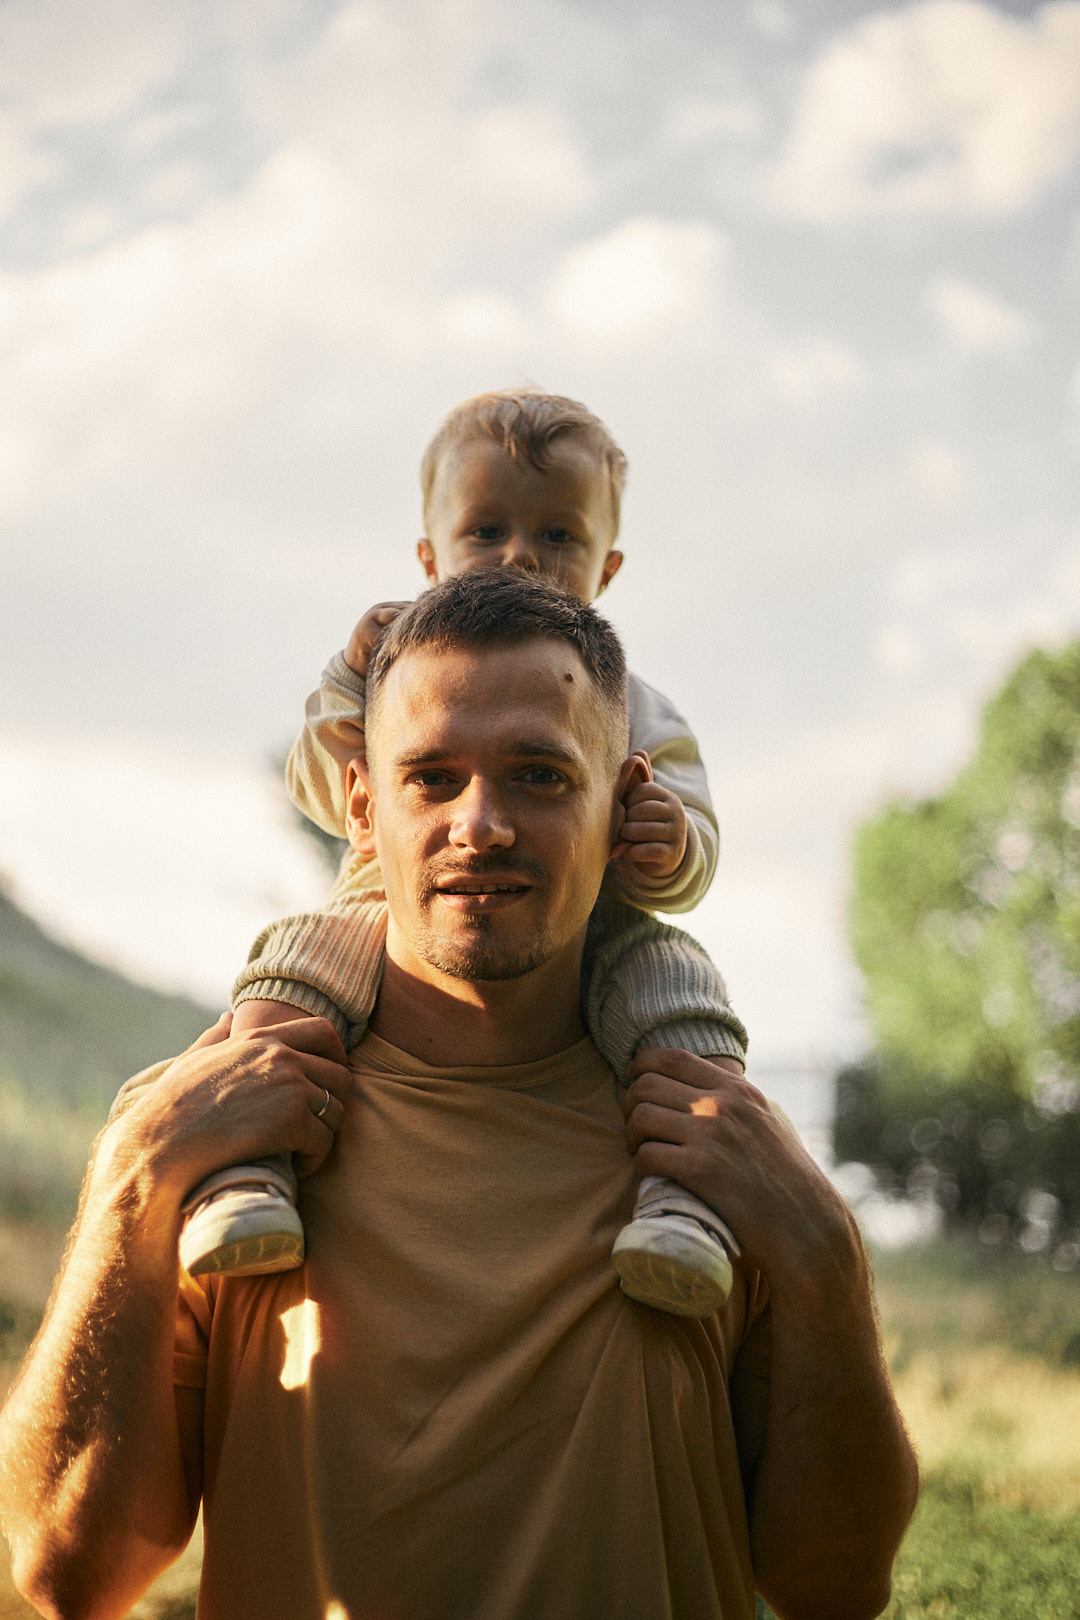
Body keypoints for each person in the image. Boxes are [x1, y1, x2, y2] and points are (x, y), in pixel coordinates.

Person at [0, 572, 918, 1620]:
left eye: (537, 774)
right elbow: (70, 1573)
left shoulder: (716, 1155)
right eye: (431, 778)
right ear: (360, 805)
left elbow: (836, 1588)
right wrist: (132, 1175)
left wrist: (824, 1257)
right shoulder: (219, 1145)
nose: (479, 823)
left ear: (624, 803)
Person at [178, 388, 748, 1318]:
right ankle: (246, 1173)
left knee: (686, 1005)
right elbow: (326, 792)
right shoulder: (386, 671)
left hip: (602, 922)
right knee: (288, 973)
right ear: (429, 554)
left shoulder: (634, 703)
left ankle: (687, 1209)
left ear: (605, 567)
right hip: (383, 905)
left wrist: (667, 844)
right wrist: (349, 682)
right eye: (488, 530)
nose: (522, 554)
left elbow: (692, 845)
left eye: (558, 536)